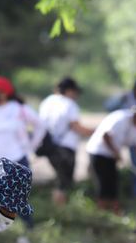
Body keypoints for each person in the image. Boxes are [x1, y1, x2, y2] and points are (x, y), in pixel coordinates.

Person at [37, 77, 94, 206]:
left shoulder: (47, 102)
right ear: (69, 91)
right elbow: (76, 127)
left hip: (49, 146)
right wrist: (95, 132)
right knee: (64, 182)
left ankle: (59, 208)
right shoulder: (69, 104)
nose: (76, 96)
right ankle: (61, 210)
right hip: (65, 148)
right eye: (75, 92)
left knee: (60, 178)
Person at [86, 103, 136, 214]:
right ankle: (101, 212)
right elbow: (106, 136)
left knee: (113, 182)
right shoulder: (120, 118)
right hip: (98, 152)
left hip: (110, 156)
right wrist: (115, 152)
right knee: (103, 183)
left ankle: (115, 212)